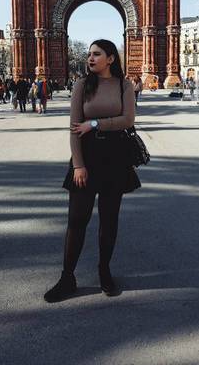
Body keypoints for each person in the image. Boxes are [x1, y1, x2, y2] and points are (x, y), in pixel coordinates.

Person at [44, 39, 140, 303]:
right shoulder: (81, 85)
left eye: (96, 54)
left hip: (115, 158)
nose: (90, 58)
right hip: (86, 157)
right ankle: (67, 277)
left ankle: (104, 271)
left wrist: (95, 123)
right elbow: (75, 128)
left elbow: (128, 120)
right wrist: (78, 165)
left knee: (109, 221)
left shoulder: (124, 85)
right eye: (89, 54)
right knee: (77, 221)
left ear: (110, 58)